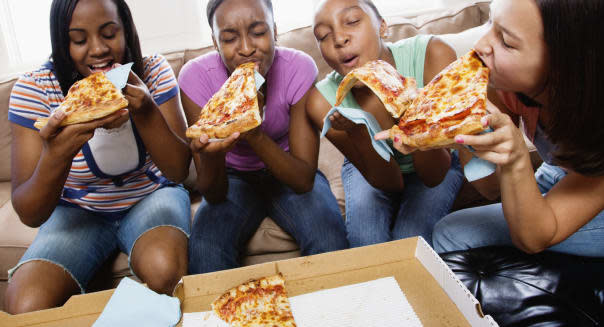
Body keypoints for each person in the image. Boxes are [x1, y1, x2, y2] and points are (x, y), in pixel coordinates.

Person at [5, 0, 191, 314]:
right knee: (25, 304)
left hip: (151, 196)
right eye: (79, 40)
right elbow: (29, 213)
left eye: (109, 33)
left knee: (164, 270)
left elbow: (178, 170)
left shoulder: (153, 70)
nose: (98, 50)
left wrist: (146, 112)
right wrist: (57, 153)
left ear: (126, 31)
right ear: (62, 44)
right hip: (77, 211)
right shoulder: (34, 90)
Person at [180, 0, 349, 274]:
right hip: (231, 177)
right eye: (230, 38)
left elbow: (303, 180)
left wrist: (254, 132)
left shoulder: (299, 67)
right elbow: (213, 192)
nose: (246, 48)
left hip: (287, 168)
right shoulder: (196, 77)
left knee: (328, 236)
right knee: (205, 251)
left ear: (275, 31)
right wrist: (211, 154)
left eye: (258, 32)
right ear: (215, 43)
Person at [430, 0, 604, 257]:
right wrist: (463, 129)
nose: (479, 46)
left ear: (565, 63)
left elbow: (533, 239)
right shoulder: (507, 88)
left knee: (452, 235)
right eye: (490, 22)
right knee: (449, 229)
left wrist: (516, 160)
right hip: (563, 170)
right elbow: (490, 187)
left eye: (507, 42)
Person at [307, 0, 464, 248]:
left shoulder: (433, 55)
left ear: (382, 27)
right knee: (366, 241)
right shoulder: (322, 101)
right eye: (323, 35)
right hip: (371, 168)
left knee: (410, 242)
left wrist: (412, 117)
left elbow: (434, 176)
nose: (339, 39)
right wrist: (358, 132)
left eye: (352, 22)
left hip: (436, 160)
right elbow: (390, 182)